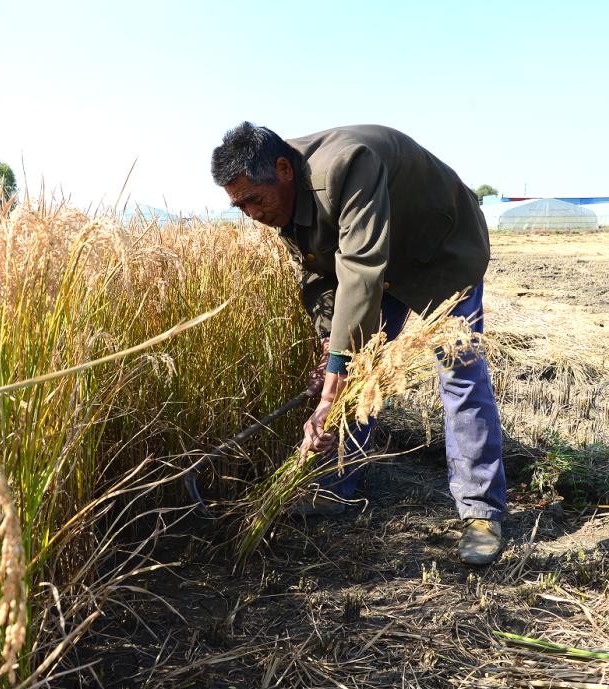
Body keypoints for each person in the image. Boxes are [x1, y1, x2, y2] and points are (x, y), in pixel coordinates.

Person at [210, 122, 506, 565]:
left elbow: (361, 265)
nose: (251, 213)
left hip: (441, 249)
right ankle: (335, 489)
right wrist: (333, 354)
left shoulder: (348, 164)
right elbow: (320, 277)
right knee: (354, 372)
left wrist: (334, 382)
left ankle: (481, 512)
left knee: (458, 373)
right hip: (378, 264)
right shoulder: (282, 203)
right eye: (239, 205)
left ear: (283, 169)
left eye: (254, 199)